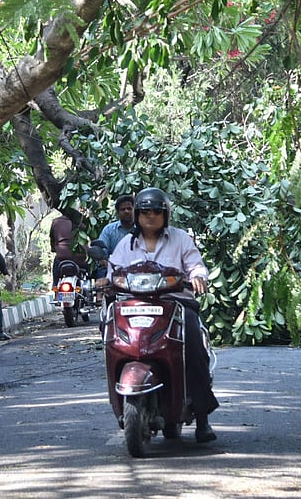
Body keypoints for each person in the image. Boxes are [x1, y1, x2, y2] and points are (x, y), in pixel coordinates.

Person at [108, 187, 219, 443]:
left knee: (193, 345)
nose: (150, 216)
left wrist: (198, 276)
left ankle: (202, 415)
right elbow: (113, 271)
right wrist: (105, 282)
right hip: (134, 306)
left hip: (175, 304)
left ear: (166, 214)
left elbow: (195, 264)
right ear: (136, 214)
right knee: (113, 339)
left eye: (157, 211)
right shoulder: (126, 244)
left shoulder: (181, 239)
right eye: (145, 211)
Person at [95, 195, 134, 280]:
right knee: (100, 280)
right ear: (117, 212)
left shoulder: (143, 229)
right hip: (115, 270)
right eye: (123, 209)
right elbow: (102, 250)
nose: (126, 211)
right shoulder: (109, 230)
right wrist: (103, 259)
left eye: (129, 208)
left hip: (139, 270)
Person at [50, 210, 88, 284]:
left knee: (56, 276)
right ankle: (97, 292)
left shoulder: (56, 222)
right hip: (81, 259)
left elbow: (52, 240)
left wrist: (54, 249)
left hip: (61, 259)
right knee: (94, 272)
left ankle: (55, 289)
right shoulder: (83, 221)